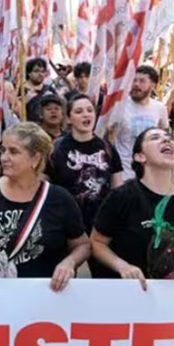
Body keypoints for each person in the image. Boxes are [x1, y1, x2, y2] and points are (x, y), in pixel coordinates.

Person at [0, 123, 90, 290]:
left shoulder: (59, 198)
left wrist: (69, 262)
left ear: (36, 159)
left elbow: (83, 245)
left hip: (44, 296)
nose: (3, 158)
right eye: (3, 150)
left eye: (13, 151)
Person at [92, 126, 174, 290]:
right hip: (130, 296)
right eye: (155, 137)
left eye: (169, 137)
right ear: (140, 157)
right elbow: (97, 243)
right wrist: (122, 266)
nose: (166, 139)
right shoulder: (122, 197)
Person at [49, 92, 123, 274]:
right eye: (79, 111)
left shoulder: (107, 148)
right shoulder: (56, 149)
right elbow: (44, 187)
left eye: (90, 110)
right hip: (66, 225)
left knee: (104, 278)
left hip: (100, 225)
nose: (86, 115)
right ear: (68, 118)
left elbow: (118, 191)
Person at [103, 65, 167, 182]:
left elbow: (165, 137)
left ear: (153, 85)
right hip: (124, 175)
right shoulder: (120, 106)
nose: (136, 84)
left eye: (142, 81)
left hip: (150, 176)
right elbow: (108, 138)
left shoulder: (160, 108)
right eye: (134, 80)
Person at [22, 58, 55, 124]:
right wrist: (26, 100)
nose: (40, 74)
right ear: (29, 73)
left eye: (43, 71)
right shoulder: (21, 90)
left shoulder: (49, 89)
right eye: (36, 71)